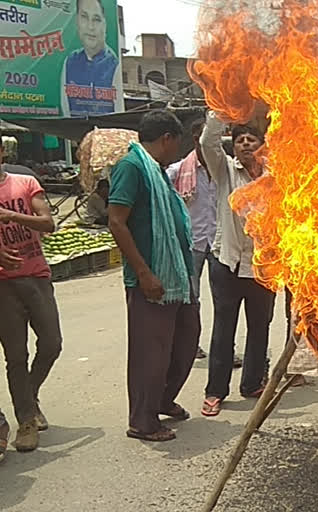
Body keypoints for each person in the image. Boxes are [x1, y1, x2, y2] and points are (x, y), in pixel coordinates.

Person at [108, 110, 200, 442]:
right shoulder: (132, 168)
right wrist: (144, 273)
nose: (178, 150)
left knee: (187, 339)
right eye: (178, 143)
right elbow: (116, 221)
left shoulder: (157, 171)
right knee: (152, 352)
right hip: (151, 279)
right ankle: (142, 420)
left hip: (176, 276)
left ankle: (162, 399)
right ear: (167, 139)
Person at [199, 111, 276, 417]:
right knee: (224, 330)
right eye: (240, 139)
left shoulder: (274, 176)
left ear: (261, 146)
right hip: (227, 263)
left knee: (260, 328)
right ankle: (215, 392)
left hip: (263, 267)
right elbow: (208, 142)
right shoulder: (224, 171)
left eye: (251, 139)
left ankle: (253, 383)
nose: (245, 143)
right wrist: (221, 109)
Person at [0, 137, 62, 453]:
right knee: (16, 357)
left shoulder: (24, 183)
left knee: (52, 344)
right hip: (3, 286)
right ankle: (25, 421)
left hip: (36, 276)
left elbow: (48, 223)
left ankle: (29, 393)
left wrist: (13, 216)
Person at [166, 117, 221, 361]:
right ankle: (191, 344)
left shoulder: (226, 167)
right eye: (201, 135)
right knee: (191, 298)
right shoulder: (178, 171)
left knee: (223, 302)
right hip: (192, 243)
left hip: (219, 243)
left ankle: (223, 348)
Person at [61, 0, 121, 117]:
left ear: (104, 25)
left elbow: (118, 116)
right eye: (84, 17)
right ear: (77, 21)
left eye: (96, 19)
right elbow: (66, 111)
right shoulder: (69, 62)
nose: (90, 26)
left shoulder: (114, 65)